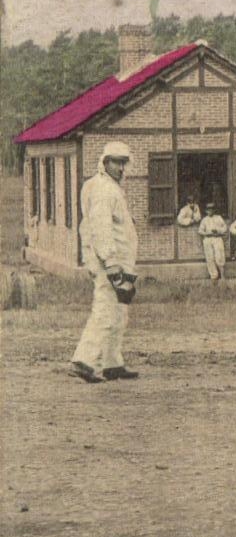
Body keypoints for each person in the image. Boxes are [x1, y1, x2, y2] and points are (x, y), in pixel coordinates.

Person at [69, 141, 140, 383]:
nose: (120, 168)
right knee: (105, 309)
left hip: (119, 260)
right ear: (104, 162)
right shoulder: (103, 190)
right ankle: (85, 360)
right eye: (116, 162)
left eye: (123, 162)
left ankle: (112, 362)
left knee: (119, 312)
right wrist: (111, 264)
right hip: (109, 261)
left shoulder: (108, 187)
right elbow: (100, 229)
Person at [199, 203, 229, 283]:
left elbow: (225, 228)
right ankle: (214, 276)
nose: (210, 211)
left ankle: (222, 276)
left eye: (211, 210)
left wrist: (218, 230)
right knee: (210, 257)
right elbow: (200, 231)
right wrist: (207, 233)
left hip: (217, 238)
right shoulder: (204, 219)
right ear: (206, 211)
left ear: (214, 210)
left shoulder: (218, 218)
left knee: (219, 256)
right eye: (208, 210)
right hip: (208, 239)